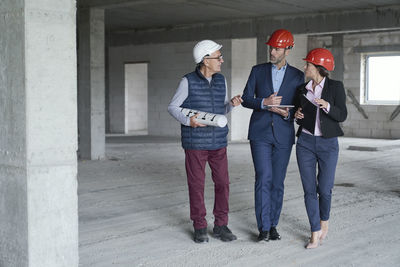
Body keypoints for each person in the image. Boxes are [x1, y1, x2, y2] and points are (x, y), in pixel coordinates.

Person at [168, 40, 242, 243]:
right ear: (205, 60)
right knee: (197, 184)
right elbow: (173, 107)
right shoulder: (187, 81)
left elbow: (221, 109)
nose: (221, 60)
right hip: (196, 143)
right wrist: (188, 120)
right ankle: (199, 226)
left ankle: (221, 225)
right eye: (218, 57)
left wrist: (231, 105)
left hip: (218, 141)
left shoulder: (221, 80)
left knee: (223, 183)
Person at [242, 29, 304, 242]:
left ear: (287, 49)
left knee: (278, 181)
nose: (272, 51)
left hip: (284, 134)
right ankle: (263, 227)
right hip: (260, 133)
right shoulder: (257, 71)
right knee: (263, 178)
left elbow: (299, 106)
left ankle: (273, 224)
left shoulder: (297, 76)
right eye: (271, 48)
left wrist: (290, 113)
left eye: (277, 48)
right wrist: (263, 103)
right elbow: (246, 98)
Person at [294, 48, 347, 249]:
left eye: (307, 64)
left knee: (324, 189)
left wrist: (327, 106)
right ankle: (314, 231)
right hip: (305, 144)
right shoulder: (302, 89)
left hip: (328, 144)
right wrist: (296, 115)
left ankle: (324, 221)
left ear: (317, 68)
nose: (304, 67)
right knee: (309, 190)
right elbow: (297, 112)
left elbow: (342, 115)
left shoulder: (335, 87)